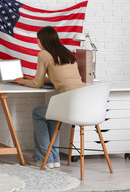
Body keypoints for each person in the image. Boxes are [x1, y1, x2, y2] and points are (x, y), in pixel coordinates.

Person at [13, 26, 84, 169]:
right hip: (82, 103)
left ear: (43, 40)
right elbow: (57, 77)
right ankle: (53, 159)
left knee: (38, 113)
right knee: (51, 115)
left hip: (67, 104)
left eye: (37, 40)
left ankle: (42, 158)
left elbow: (36, 84)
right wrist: (30, 78)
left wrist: (23, 81)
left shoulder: (44, 54)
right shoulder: (68, 53)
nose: (37, 43)